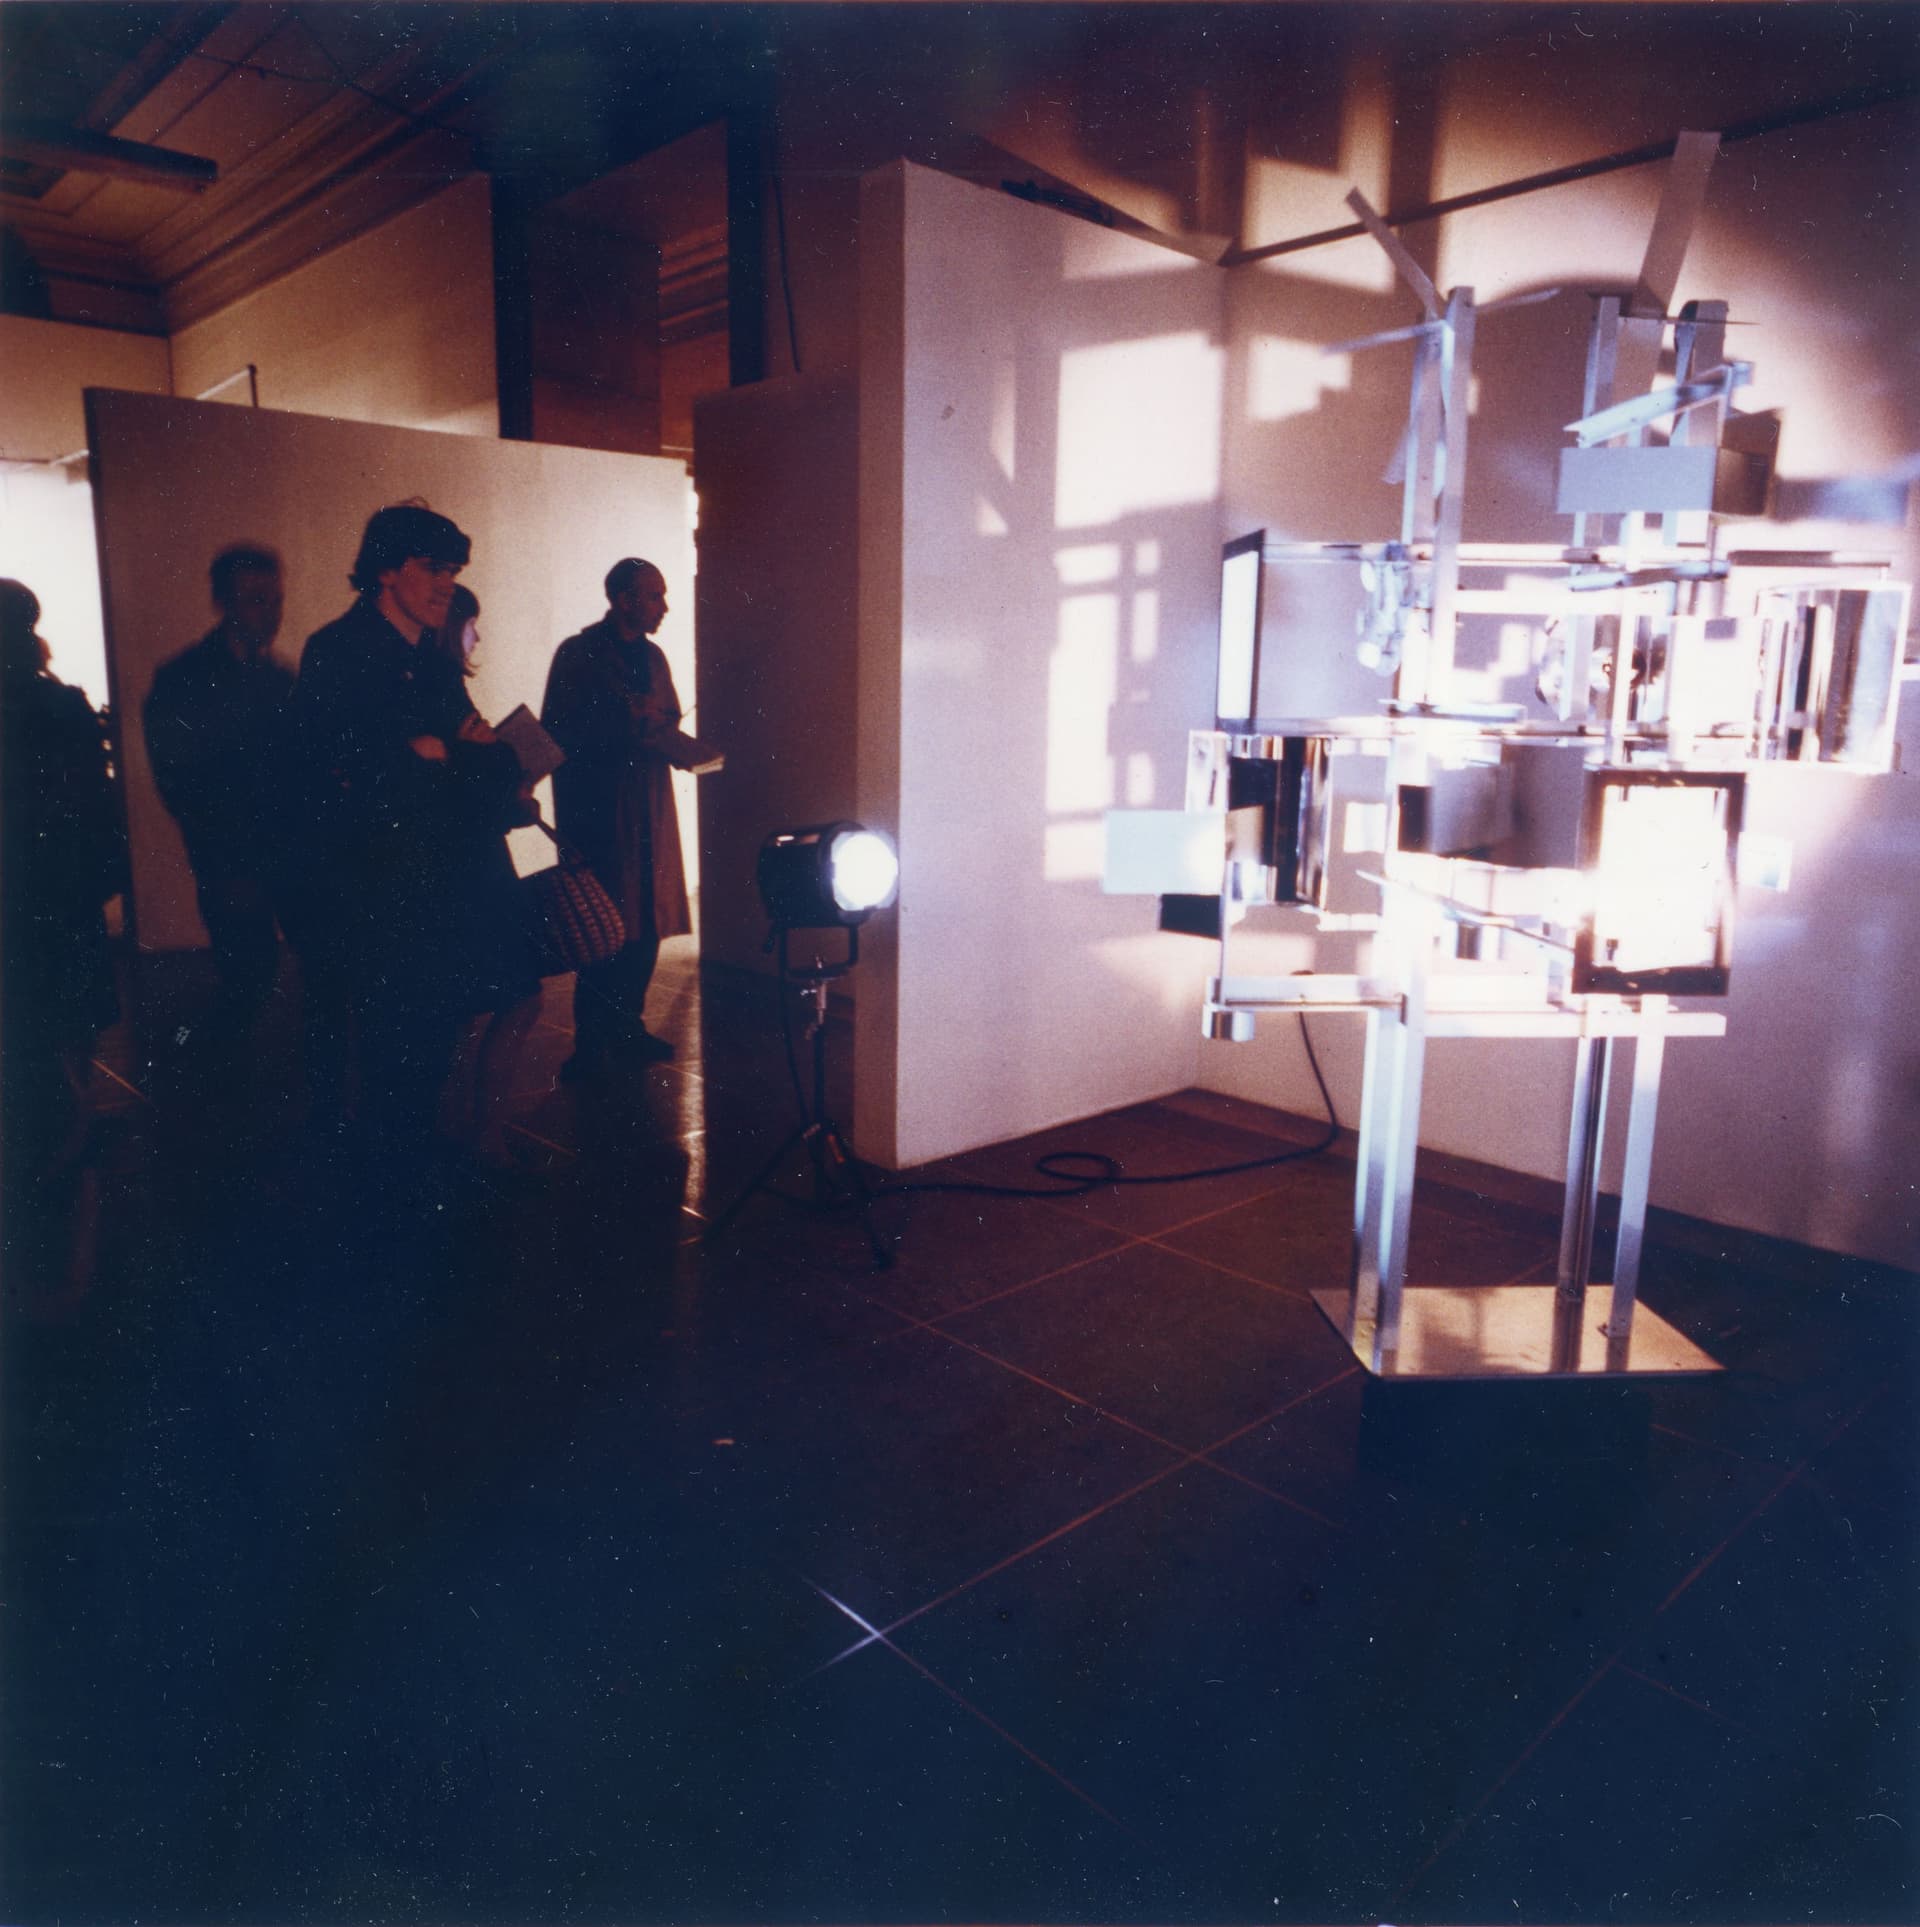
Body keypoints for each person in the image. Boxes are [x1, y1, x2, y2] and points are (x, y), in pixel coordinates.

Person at [286, 502, 496, 1160]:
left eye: (454, 571)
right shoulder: (337, 650)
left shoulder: (431, 659)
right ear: (385, 570)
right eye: (434, 568)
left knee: (429, 1031)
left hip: (436, 870)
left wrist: (442, 752)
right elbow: (330, 769)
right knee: (379, 1036)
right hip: (369, 879)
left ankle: (412, 1160)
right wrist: (422, 753)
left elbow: (471, 748)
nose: (447, 585)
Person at [1, 580, 126, 1303]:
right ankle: (76, 1273)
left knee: (30, 1062)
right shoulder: (61, 701)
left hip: (19, 907)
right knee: (69, 1047)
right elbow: (97, 806)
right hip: (65, 902)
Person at [540, 557, 691, 1079]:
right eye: (654, 596)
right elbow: (555, 732)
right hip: (601, 811)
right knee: (602, 926)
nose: (663, 607)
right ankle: (589, 1042)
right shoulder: (578, 655)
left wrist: (662, 728)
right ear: (624, 599)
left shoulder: (653, 657)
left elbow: (669, 714)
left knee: (647, 922)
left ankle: (628, 1026)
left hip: (650, 806)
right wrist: (619, 725)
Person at [423, 583, 544, 1168]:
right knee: (517, 1000)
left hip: (449, 870)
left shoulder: (424, 687)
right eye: (472, 625)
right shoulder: (444, 691)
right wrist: (509, 779)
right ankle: (486, 1135)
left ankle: (453, 1127)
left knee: (466, 1006)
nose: (477, 637)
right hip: (474, 870)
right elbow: (470, 790)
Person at [142, 544, 294, 1011]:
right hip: (229, 858)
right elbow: (180, 780)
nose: (269, 613)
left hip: (285, 851)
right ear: (223, 601)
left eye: (274, 600)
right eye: (255, 599)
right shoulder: (181, 680)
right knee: (247, 977)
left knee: (278, 978)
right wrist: (221, 853)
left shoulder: (281, 679)